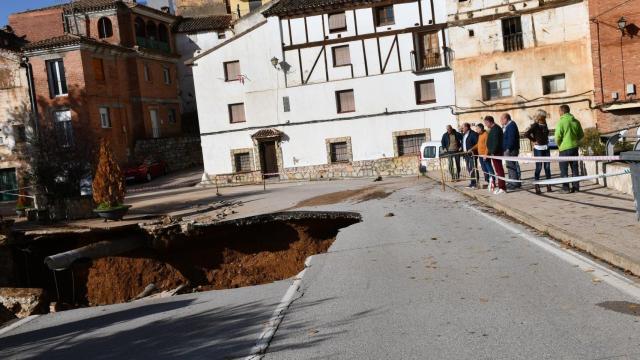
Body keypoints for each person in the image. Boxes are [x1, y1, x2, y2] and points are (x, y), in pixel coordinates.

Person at [554, 104, 584, 193]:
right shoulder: (576, 121)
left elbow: (557, 136)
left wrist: (559, 145)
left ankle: (566, 188)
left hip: (564, 148)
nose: (558, 113)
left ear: (562, 112)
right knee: (574, 168)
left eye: (559, 111)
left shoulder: (561, 122)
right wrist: (575, 141)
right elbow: (581, 135)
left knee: (564, 169)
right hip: (574, 147)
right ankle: (576, 187)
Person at [524, 109, 552, 194]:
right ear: (540, 117)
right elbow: (526, 134)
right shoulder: (535, 125)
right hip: (538, 149)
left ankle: (548, 185)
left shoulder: (545, 124)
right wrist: (533, 140)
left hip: (546, 148)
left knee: (547, 167)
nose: (545, 117)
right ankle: (537, 186)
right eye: (543, 116)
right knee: (539, 167)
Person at [484, 116, 506, 194]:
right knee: (497, 170)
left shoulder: (496, 129)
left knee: (499, 170)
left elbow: (496, 142)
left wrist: (492, 151)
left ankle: (502, 188)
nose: (486, 125)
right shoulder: (493, 129)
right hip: (494, 152)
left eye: (486, 123)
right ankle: (501, 186)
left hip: (496, 153)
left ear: (490, 122)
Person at [500, 113, 521, 190]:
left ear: (506, 119)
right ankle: (511, 181)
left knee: (511, 166)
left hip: (511, 150)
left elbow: (511, 139)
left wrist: (508, 149)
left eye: (501, 119)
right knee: (509, 166)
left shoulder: (511, 125)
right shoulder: (507, 126)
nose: (501, 121)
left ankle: (514, 183)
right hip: (508, 149)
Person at [472, 123, 495, 190]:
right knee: (484, 169)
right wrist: (472, 148)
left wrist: (486, 154)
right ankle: (488, 181)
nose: (476, 130)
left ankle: (492, 180)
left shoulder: (486, 134)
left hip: (485, 155)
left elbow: (487, 145)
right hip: (480, 155)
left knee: (489, 168)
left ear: (480, 128)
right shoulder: (480, 135)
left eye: (477, 129)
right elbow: (478, 144)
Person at [461, 123, 479, 188]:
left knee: (473, 168)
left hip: (472, 154)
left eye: (463, 128)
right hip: (466, 155)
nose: (462, 129)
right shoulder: (464, 135)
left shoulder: (473, 134)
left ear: (466, 127)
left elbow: (477, 144)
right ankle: (472, 182)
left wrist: (471, 149)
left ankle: (475, 183)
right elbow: (463, 143)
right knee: (469, 169)